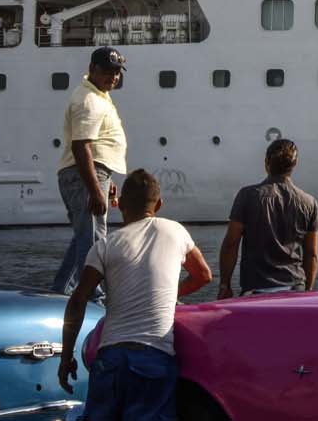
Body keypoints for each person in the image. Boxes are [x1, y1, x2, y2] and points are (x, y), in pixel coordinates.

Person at [57, 170, 212, 416]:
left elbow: (78, 300)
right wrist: (172, 295)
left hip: (110, 358)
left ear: (120, 206)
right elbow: (203, 275)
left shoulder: (105, 245)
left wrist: (66, 357)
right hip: (154, 357)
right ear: (159, 204)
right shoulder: (175, 231)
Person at [51, 47, 128, 303]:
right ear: (92, 69)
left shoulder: (98, 95)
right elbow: (81, 145)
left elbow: (94, 148)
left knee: (84, 237)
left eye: (116, 72)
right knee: (95, 239)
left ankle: (61, 292)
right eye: (108, 71)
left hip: (92, 173)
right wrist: (95, 188)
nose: (113, 77)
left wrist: (105, 180)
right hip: (85, 175)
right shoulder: (89, 101)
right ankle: (94, 295)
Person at [218, 139, 318, 296]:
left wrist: (224, 285)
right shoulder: (309, 202)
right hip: (295, 287)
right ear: (294, 164)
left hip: (256, 287)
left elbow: (231, 244)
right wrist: (308, 291)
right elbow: (311, 253)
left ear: (266, 162)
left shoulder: (247, 196)